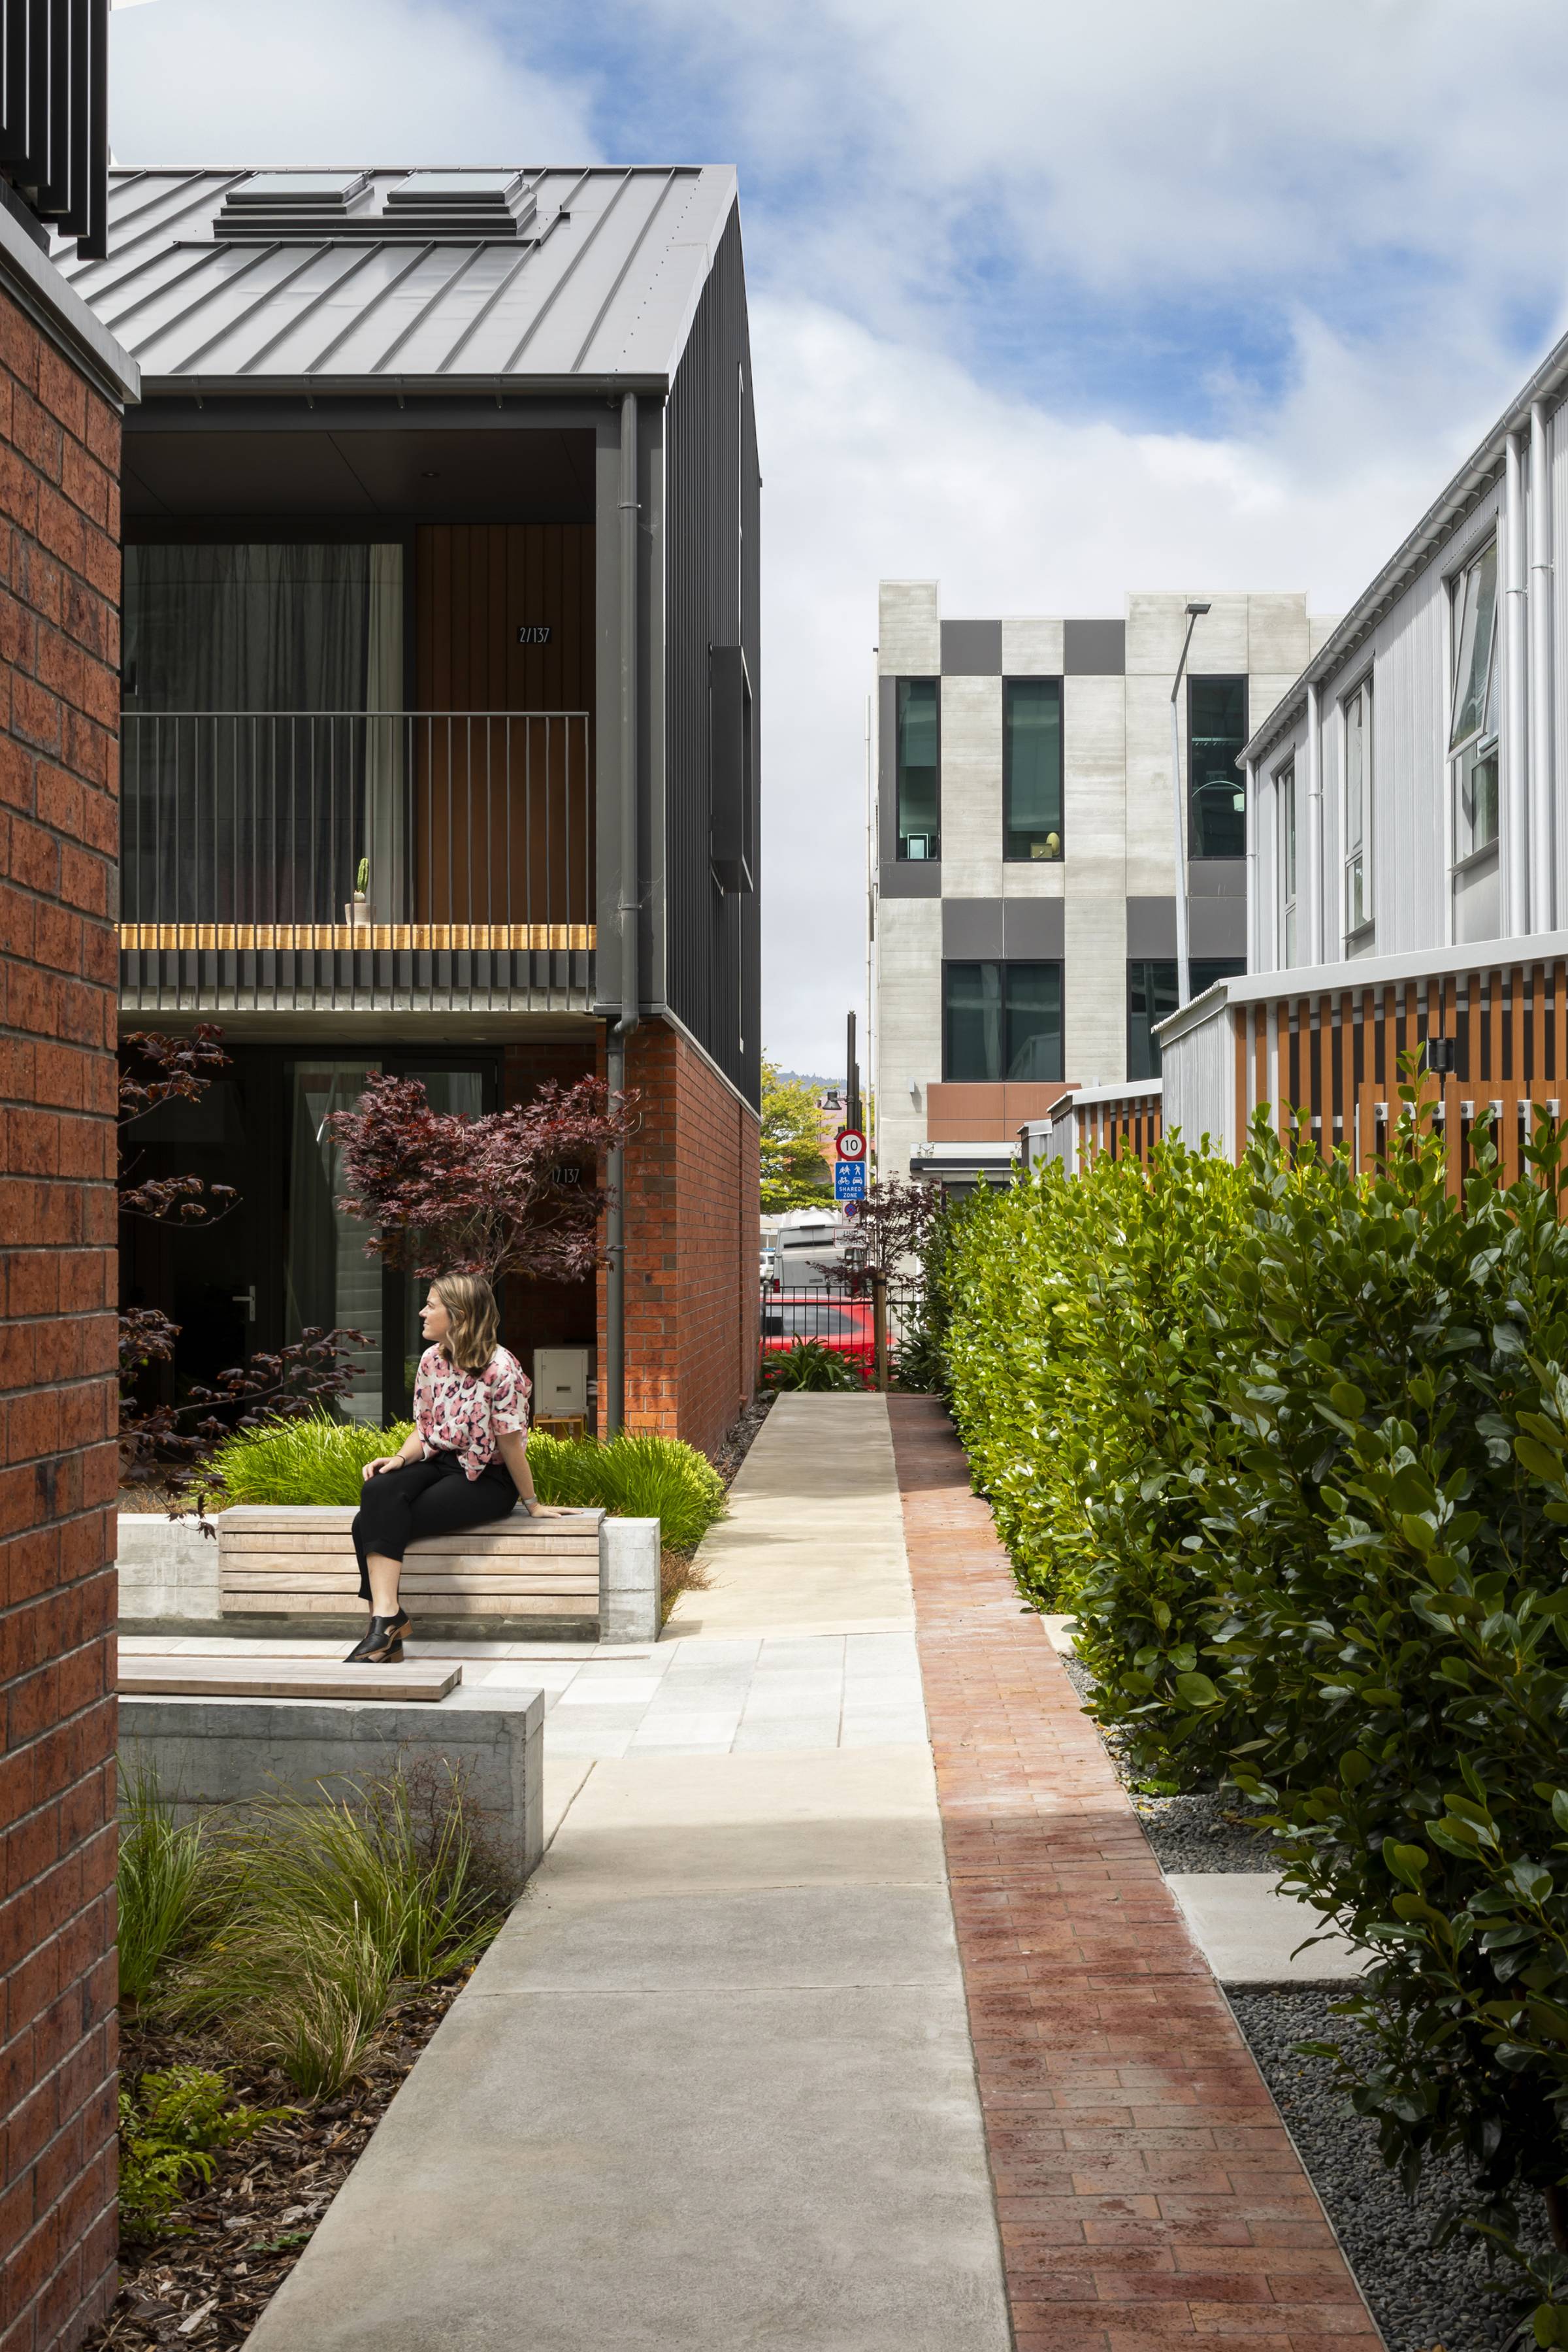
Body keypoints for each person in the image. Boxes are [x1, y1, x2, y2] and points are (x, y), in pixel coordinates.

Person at [346, 1271, 557, 1664]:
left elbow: (511, 1447)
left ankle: (384, 1629)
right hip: (438, 1461)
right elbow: (423, 1429)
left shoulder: (501, 1370)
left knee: (367, 1523)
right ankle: (387, 1620)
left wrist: (532, 1503)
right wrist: (399, 1459)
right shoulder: (431, 1360)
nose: (422, 1312)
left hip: (486, 1480)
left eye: (431, 1305)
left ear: (458, 1315)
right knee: (378, 1489)